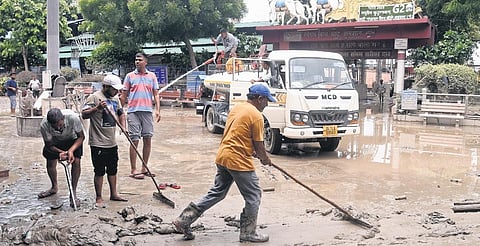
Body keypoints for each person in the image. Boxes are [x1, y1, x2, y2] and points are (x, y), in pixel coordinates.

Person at [173, 83, 276, 243]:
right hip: (237, 160)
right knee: (254, 195)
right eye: (266, 100)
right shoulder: (256, 116)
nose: (267, 104)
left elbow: (237, 134)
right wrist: (265, 158)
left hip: (223, 156)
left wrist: (252, 150)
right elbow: (259, 144)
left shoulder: (237, 108)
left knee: (217, 192)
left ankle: (184, 219)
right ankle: (248, 232)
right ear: (260, 99)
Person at [82, 74, 128, 208]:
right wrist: (97, 109)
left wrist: (123, 127)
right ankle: (99, 197)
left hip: (111, 142)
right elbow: (84, 114)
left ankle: (114, 194)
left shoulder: (115, 99)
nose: (116, 92)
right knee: (99, 170)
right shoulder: (94, 97)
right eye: (114, 89)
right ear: (106, 87)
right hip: (98, 142)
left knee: (113, 169)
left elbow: (121, 113)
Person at [120, 52, 161, 180]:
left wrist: (158, 110)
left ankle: (144, 168)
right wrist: (119, 111)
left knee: (147, 139)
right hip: (133, 111)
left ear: (146, 62)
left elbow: (156, 94)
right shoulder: (129, 76)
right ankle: (133, 169)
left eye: (140, 60)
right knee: (134, 140)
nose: (137, 62)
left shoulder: (152, 76)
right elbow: (124, 95)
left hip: (147, 111)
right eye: (136, 60)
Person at [38, 108, 85, 208]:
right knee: (50, 161)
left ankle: (73, 193)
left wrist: (71, 151)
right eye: (55, 127)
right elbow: (49, 145)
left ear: (63, 119)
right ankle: (54, 187)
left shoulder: (73, 118)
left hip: (73, 139)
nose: (58, 128)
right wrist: (61, 153)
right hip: (55, 142)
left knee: (76, 161)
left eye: (60, 125)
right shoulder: (44, 125)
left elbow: (81, 137)